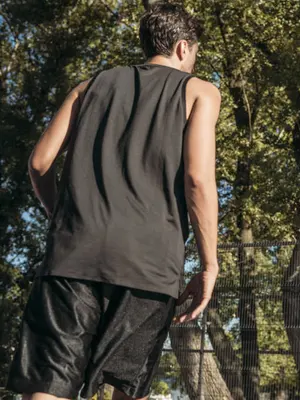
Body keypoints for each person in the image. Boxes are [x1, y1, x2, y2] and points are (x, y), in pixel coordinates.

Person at [6, 3, 221, 400]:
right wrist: (209, 264)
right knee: (128, 388)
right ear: (181, 47)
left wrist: (62, 216)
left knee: (48, 386)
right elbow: (197, 179)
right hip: (149, 265)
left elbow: (39, 163)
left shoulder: (90, 86)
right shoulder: (200, 92)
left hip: (72, 256)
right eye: (195, 53)